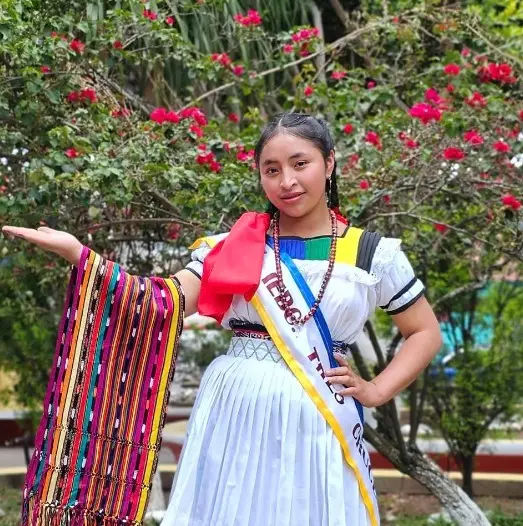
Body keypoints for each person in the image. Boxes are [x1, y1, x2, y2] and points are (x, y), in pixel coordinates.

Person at [2, 113, 442, 526]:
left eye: (300, 163)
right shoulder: (235, 244)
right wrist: (80, 254)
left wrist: (376, 390)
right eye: (271, 169)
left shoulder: (372, 254)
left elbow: (424, 332)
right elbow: (160, 303)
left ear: (329, 163)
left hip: (318, 415)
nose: (286, 181)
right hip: (234, 410)